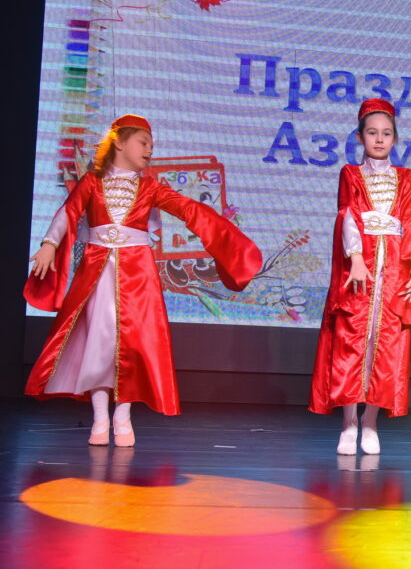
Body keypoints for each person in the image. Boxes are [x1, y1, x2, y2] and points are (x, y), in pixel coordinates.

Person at [24, 114, 262, 446]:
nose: (150, 150)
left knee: (134, 345)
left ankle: (122, 416)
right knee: (98, 343)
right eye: (144, 142)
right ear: (119, 142)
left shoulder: (149, 187)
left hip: (138, 274)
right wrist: (49, 244)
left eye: (152, 144)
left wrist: (227, 240)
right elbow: (68, 211)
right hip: (97, 271)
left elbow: (189, 209)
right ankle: (99, 418)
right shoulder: (92, 182)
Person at [309, 99, 411, 455]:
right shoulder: (350, 173)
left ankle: (371, 421)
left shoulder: (405, 177)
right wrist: (356, 257)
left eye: (386, 133)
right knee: (351, 340)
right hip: (359, 267)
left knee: (386, 342)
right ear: (360, 136)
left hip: (393, 267)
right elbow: (348, 214)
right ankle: (348, 422)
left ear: (395, 138)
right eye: (372, 133)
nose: (379, 139)